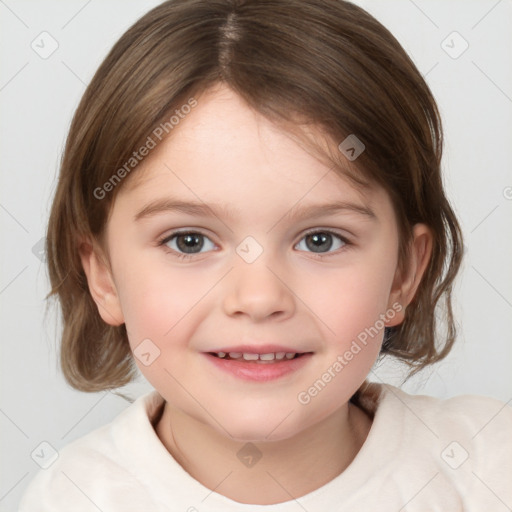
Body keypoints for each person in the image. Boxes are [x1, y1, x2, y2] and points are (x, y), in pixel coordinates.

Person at [19, 0, 512, 510]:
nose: (258, 299)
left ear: (402, 275)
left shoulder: (488, 471)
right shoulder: (73, 498)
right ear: (103, 275)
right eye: (189, 241)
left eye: (321, 240)